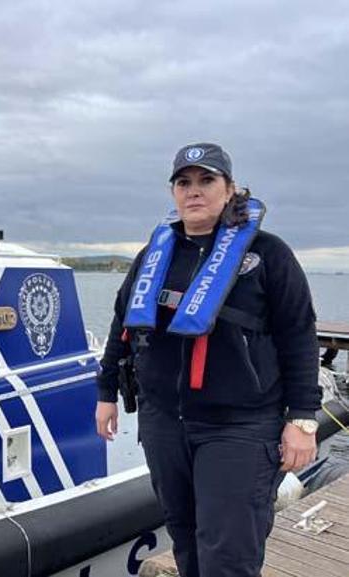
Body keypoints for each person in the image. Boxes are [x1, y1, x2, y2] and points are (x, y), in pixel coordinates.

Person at [95, 143, 321, 577]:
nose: (193, 191)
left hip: (239, 427)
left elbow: (299, 336)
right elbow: (122, 325)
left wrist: (303, 418)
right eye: (184, 182)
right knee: (185, 540)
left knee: (228, 555)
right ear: (173, 192)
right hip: (164, 423)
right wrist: (106, 392)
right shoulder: (153, 255)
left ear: (230, 189)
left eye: (206, 180)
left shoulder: (269, 254)